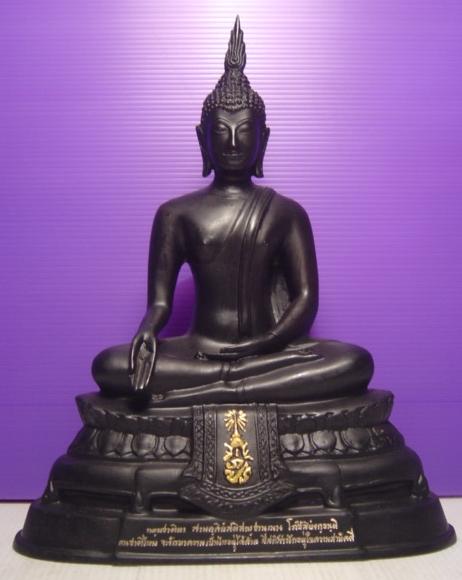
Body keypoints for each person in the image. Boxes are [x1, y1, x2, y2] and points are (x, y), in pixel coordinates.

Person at [92, 17, 373, 406]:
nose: (234, 143)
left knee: (355, 362)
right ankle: (235, 383)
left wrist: (264, 344)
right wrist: (147, 331)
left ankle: (226, 387)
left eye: (245, 130)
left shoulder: (287, 213)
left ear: (264, 139)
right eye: (221, 130)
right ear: (202, 139)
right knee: (108, 365)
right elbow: (160, 303)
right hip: (199, 352)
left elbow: (306, 299)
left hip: (269, 353)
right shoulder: (176, 215)